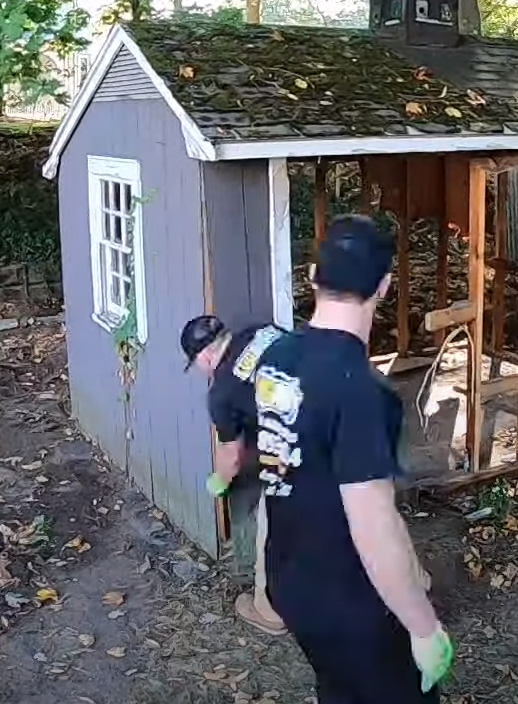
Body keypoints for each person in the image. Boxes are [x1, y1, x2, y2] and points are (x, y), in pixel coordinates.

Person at [250, 215, 453, 703]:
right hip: (352, 605)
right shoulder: (361, 390)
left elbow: (273, 476)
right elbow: (373, 523)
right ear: (383, 287)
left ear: (314, 276)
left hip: (292, 586)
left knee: (339, 689)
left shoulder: (274, 359)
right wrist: (424, 628)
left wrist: (265, 583)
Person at [179, 313, 289, 635]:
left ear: (205, 355)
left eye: (196, 363)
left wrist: (220, 481)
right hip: (339, 416)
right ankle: (405, 583)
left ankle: (267, 610)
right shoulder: (261, 330)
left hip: (300, 445)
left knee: (271, 531)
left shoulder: (222, 393)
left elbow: (233, 456)